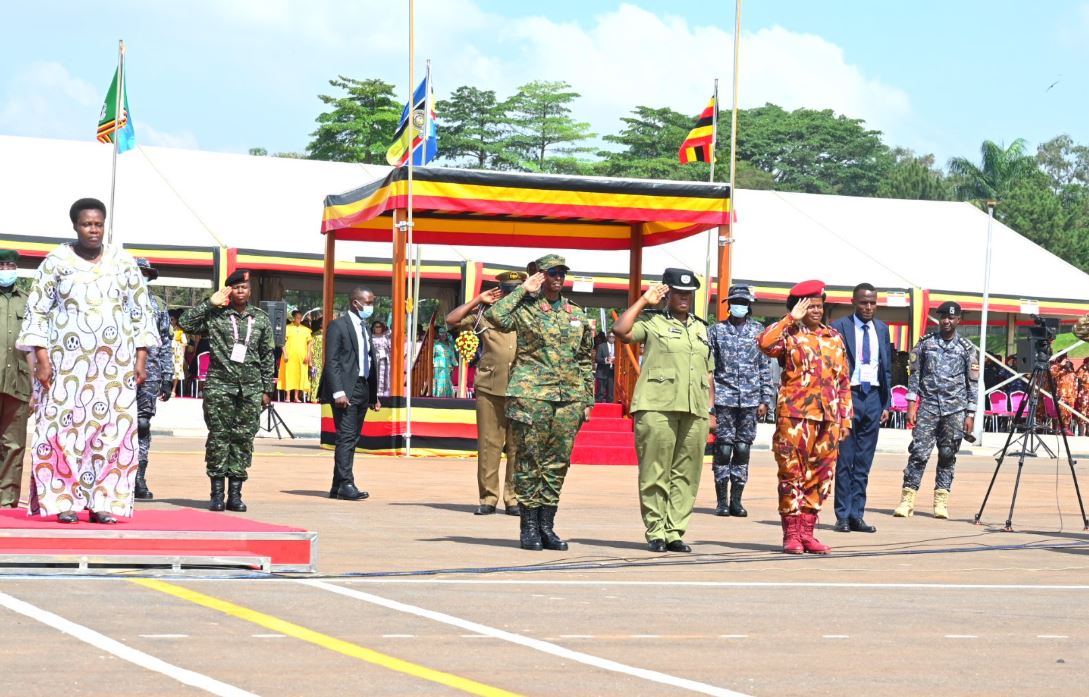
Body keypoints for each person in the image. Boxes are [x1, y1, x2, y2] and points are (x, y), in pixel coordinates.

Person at [17, 198, 159, 523]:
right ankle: (64, 501)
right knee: (61, 431)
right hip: (66, 366)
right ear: (75, 226)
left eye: (98, 224)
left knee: (111, 433)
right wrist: (40, 358)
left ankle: (102, 502)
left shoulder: (123, 263)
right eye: (86, 224)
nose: (93, 230)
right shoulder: (56, 262)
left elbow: (140, 312)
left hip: (113, 369)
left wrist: (141, 358)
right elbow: (37, 310)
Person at [486, 254, 594, 551]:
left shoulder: (577, 312)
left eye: (561, 272)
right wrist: (524, 289)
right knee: (529, 461)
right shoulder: (524, 308)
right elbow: (496, 317)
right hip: (531, 395)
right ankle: (529, 527)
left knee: (557, 463)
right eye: (552, 272)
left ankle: (547, 526)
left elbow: (585, 358)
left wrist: (588, 399)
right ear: (539, 275)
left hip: (569, 398)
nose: (558, 277)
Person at [613, 268, 715, 552]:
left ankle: (674, 531)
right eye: (678, 293)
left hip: (695, 408)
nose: (684, 298)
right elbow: (621, 331)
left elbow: (709, 373)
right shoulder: (653, 322)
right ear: (668, 293)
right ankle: (656, 530)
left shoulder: (701, 327)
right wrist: (645, 301)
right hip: (657, 406)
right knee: (655, 470)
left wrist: (711, 409)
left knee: (687, 473)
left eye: (688, 293)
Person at [758, 280, 852, 554]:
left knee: (820, 477)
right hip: (795, 417)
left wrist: (845, 418)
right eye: (810, 306)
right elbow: (764, 344)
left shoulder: (834, 338)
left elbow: (843, 381)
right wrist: (790, 319)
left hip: (828, 419)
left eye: (819, 306)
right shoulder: (789, 335)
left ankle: (808, 533)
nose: (816, 311)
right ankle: (791, 534)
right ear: (798, 308)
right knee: (792, 475)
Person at [179, 269, 275, 512]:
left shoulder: (260, 318)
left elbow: (267, 356)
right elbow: (185, 322)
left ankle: (235, 494)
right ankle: (217, 494)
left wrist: (266, 389)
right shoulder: (215, 315)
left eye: (244, 287)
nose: (240, 291)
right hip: (220, 387)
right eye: (236, 287)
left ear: (250, 290)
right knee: (219, 438)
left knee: (243, 440)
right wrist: (208, 303)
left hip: (250, 389)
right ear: (228, 290)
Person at [447, 271, 526, 516]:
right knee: (489, 445)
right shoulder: (484, 313)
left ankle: (513, 498)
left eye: (516, 289)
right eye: (507, 289)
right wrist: (476, 300)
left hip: (521, 388)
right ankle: (488, 498)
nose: (511, 293)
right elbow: (451, 320)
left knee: (517, 447)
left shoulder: (529, 314)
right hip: (490, 387)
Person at [893, 301, 978, 520]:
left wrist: (970, 414)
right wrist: (911, 405)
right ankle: (907, 499)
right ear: (938, 319)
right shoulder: (925, 344)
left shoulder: (967, 349)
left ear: (959, 320)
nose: (947, 321)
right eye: (943, 317)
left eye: (952, 318)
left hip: (955, 410)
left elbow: (972, 384)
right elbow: (914, 376)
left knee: (948, 454)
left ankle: (941, 500)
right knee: (919, 453)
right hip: (928, 407)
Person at [829, 283, 892, 533]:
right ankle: (842, 515)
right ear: (854, 302)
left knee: (864, 462)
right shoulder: (839, 327)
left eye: (873, 302)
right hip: (849, 396)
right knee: (845, 460)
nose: (869, 307)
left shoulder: (882, 329)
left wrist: (885, 403)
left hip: (873, 398)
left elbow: (885, 368)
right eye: (864, 302)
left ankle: (857, 514)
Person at [707, 284, 773, 518]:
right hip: (724, 398)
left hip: (750, 399)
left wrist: (766, 399)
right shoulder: (716, 331)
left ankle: (737, 500)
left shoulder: (758, 331)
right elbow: (709, 369)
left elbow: (764, 367)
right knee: (724, 449)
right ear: (729, 305)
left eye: (744, 303)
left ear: (749, 306)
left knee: (743, 449)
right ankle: (721, 501)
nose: (740, 306)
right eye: (736, 302)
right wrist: (710, 406)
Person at [318, 287, 380, 500]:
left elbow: (368, 362)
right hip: (345, 390)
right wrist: (338, 392)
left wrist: (373, 396)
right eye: (369, 302)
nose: (371, 306)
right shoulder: (338, 326)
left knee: (352, 438)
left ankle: (337, 486)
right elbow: (332, 361)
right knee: (345, 437)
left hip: (362, 388)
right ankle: (346, 483)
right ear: (356, 303)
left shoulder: (365, 328)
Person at [133, 258, 174, 500]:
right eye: (136, 272)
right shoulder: (116, 300)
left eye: (144, 272)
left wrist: (168, 375)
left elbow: (166, 341)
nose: (140, 276)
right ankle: (115, 476)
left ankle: (139, 477)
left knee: (143, 425)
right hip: (118, 372)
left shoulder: (157, 303)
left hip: (150, 373)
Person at [0, 250, 30, 508]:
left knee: (14, 445)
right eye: (1, 265)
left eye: (10, 265)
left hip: (19, 382)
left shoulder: (28, 302)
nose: (6, 269)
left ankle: (6, 500)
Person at [277, 309, 313, 402]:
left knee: (299, 375)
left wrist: (308, 356)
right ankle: (288, 396)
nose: (299, 320)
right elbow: (282, 342)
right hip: (289, 356)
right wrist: (284, 353)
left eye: (300, 318)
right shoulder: (287, 328)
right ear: (293, 318)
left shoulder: (306, 330)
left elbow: (309, 343)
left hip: (301, 356)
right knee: (288, 374)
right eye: (297, 318)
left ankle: (296, 397)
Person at [432, 326, 456, 397]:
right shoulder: (435, 344)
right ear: (438, 335)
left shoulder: (451, 345)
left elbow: (453, 355)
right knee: (439, 381)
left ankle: (448, 397)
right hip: (438, 365)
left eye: (444, 333)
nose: (443, 335)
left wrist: (454, 364)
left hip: (448, 365)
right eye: (441, 333)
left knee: (447, 381)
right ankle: (438, 396)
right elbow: (431, 355)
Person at [170, 311, 188, 398]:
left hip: (177, 354)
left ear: (176, 320)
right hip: (167, 353)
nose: (170, 321)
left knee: (176, 371)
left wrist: (177, 345)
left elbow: (185, 343)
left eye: (172, 319)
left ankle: (173, 390)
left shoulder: (180, 331)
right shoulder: (165, 329)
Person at [594, 332, 616, 403]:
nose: (612, 338)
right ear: (607, 337)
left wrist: (615, 360)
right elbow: (597, 359)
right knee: (600, 392)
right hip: (602, 372)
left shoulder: (617, 347)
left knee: (610, 394)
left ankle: (610, 410)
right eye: (610, 337)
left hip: (612, 372)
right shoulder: (601, 346)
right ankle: (597, 410)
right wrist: (606, 360)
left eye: (613, 337)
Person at [371, 321, 392, 397]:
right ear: (373, 328)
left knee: (384, 376)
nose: (378, 328)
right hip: (374, 360)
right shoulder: (370, 337)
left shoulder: (386, 337)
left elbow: (390, 348)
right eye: (376, 326)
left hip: (384, 360)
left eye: (380, 326)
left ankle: (384, 394)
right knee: (375, 376)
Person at [308, 312, 324, 404]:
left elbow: (310, 349)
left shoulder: (314, 335)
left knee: (314, 378)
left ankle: (313, 397)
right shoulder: (325, 335)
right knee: (318, 378)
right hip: (321, 361)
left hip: (315, 361)